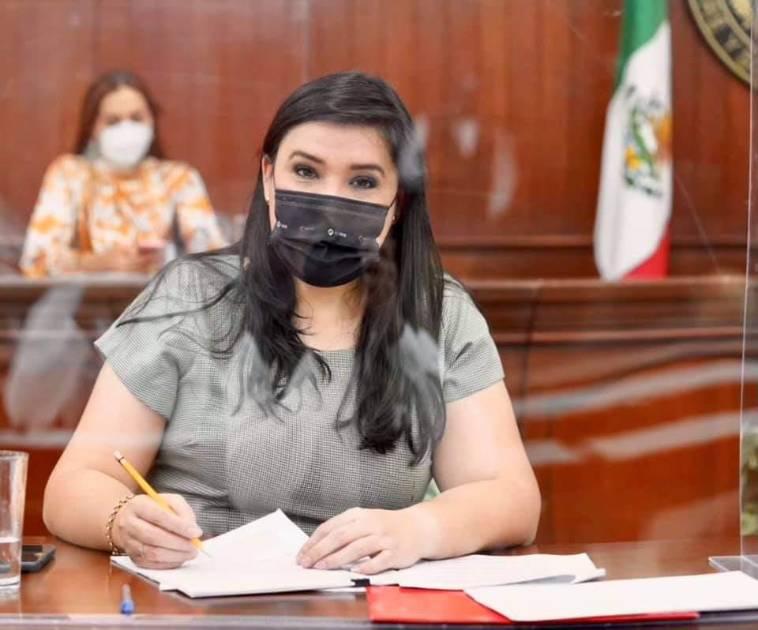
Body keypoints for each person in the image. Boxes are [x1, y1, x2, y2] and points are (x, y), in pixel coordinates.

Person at [42, 72, 540, 574]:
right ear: (269, 176)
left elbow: (511, 497)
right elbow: (72, 486)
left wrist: (418, 528)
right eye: (305, 172)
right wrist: (124, 521)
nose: (329, 201)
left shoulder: (439, 313)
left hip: (365, 598)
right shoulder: (189, 296)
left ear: (398, 203)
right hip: (195, 599)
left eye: (363, 182)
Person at [19, 70, 227, 278]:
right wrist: (96, 263)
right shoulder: (70, 174)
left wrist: (169, 257)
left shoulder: (178, 179)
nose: (127, 129)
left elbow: (217, 264)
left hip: (165, 295)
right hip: (90, 298)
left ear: (152, 121)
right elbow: (35, 261)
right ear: (92, 128)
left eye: (137, 118)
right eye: (112, 121)